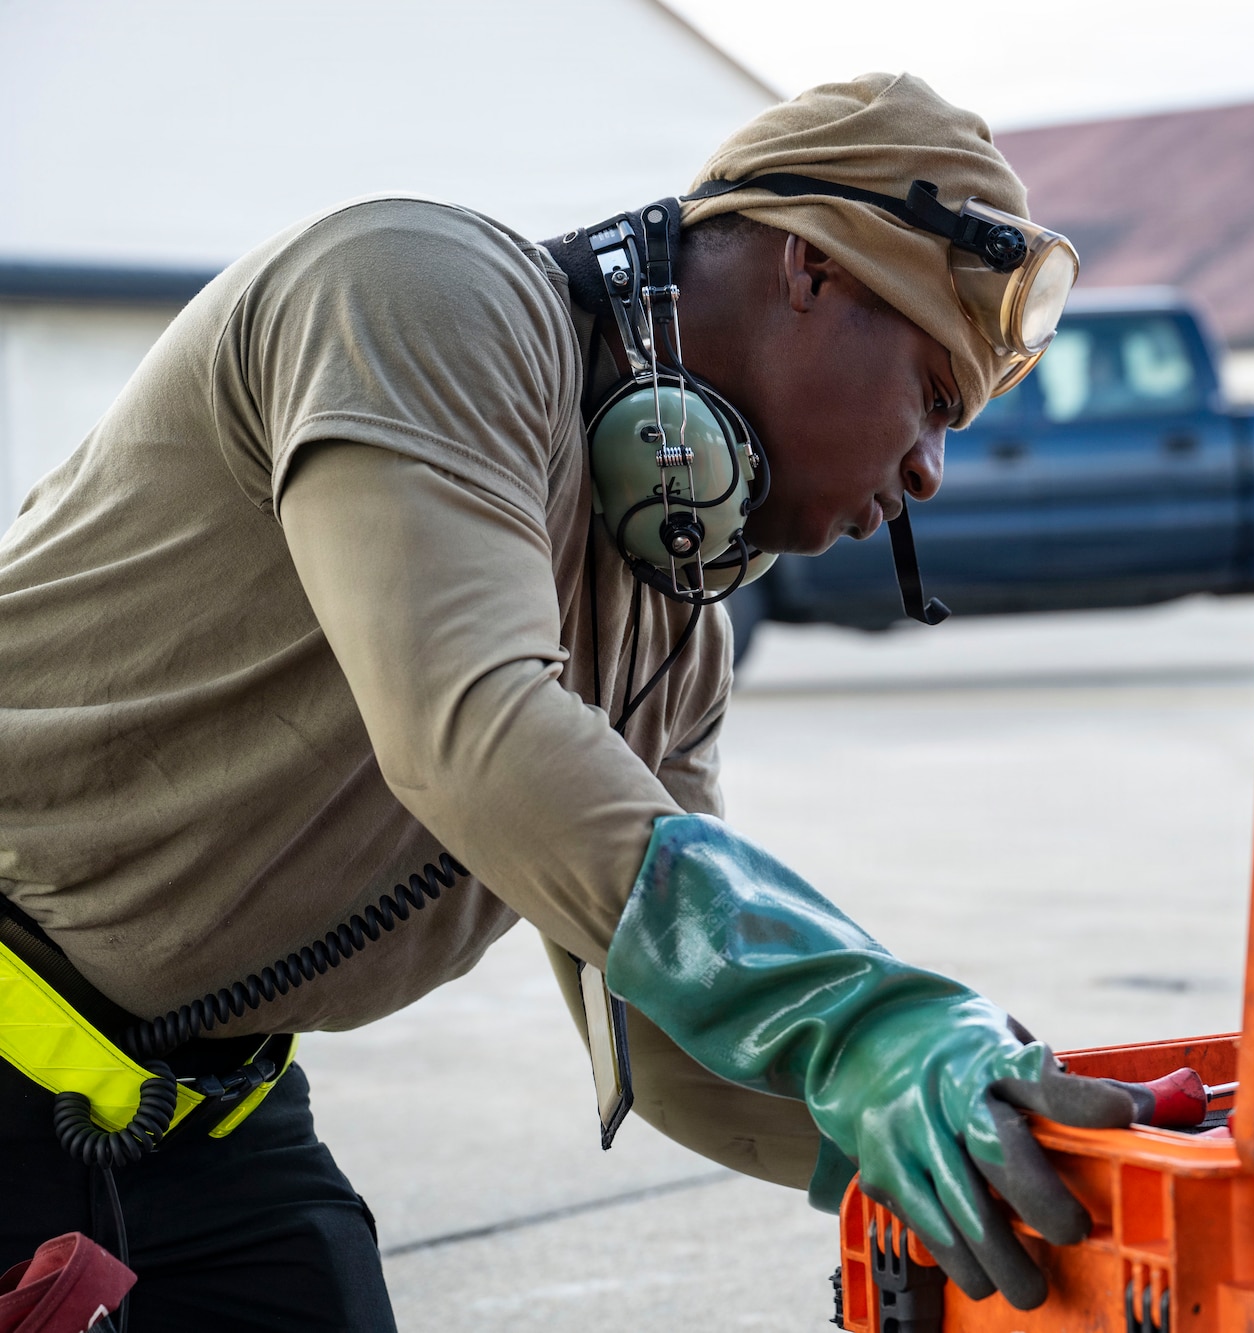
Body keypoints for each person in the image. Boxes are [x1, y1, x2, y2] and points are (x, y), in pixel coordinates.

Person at [0, 74, 1130, 1331]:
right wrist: (859, 1019)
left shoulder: (668, 622)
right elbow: (467, 729)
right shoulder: (417, 293)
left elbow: (665, 1035)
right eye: (931, 394)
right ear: (812, 272)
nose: (929, 466)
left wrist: (968, 1149)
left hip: (202, 1109)